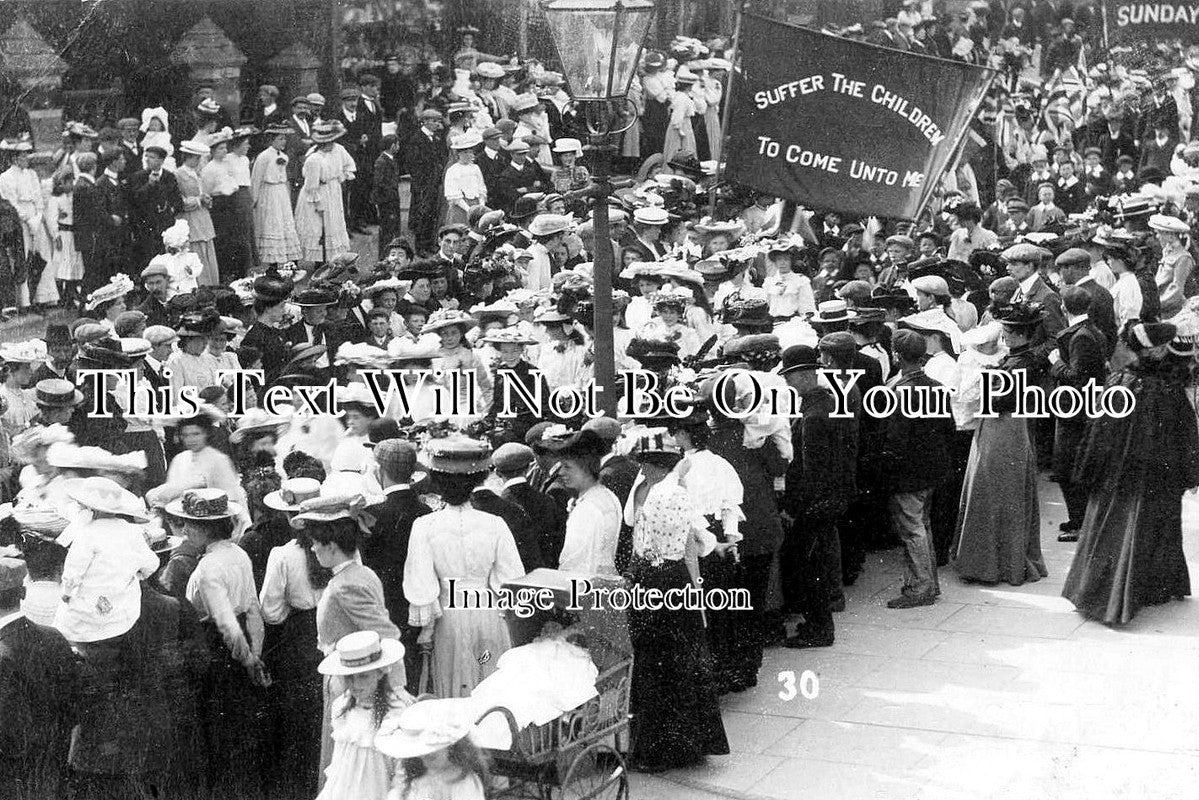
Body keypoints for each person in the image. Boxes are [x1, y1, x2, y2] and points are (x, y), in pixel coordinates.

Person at [1063, 322, 1198, 625]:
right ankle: (1144, 591)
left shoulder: (1118, 382)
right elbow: (1186, 434)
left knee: (1111, 528)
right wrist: (1190, 475)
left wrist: (1088, 471)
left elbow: (1096, 431)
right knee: (1151, 529)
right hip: (1155, 479)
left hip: (1115, 477)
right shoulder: (1168, 390)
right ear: (1158, 349)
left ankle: (1100, 592)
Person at [623, 429, 729, 772]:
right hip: (671, 580)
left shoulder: (656, 493)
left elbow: (677, 541)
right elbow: (697, 540)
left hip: (654, 578)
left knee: (655, 663)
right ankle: (686, 744)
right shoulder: (673, 491)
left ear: (649, 465)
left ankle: (658, 750)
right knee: (678, 660)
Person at [403, 436, 524, 697]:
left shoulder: (424, 526)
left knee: (455, 690)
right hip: (487, 614)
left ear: (436, 480)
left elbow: (421, 585)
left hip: (449, 618)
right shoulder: (494, 524)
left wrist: (427, 627)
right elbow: (511, 581)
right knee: (489, 683)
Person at [173, 488, 270, 800]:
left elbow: (225, 622)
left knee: (219, 733)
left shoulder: (209, 567)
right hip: (243, 646)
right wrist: (255, 652)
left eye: (188, 524)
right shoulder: (238, 553)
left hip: (218, 650)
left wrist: (247, 659)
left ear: (204, 528)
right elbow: (254, 608)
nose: (184, 530)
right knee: (241, 729)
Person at [953, 303, 1049, 586]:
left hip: (1003, 428)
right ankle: (1001, 559)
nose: (1004, 336)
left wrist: (984, 380)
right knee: (999, 490)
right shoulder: (1018, 358)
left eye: (1008, 331)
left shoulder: (1021, 363)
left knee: (993, 491)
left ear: (1022, 334)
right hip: (1004, 426)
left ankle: (993, 563)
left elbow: (999, 400)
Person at [779, 345, 856, 648]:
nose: (787, 383)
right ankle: (817, 625)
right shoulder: (828, 403)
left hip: (815, 505)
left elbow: (812, 473)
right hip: (831, 499)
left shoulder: (812, 416)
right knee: (818, 564)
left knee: (812, 569)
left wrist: (794, 509)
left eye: (790, 376)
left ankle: (819, 629)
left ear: (804, 375)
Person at [878, 329, 954, 608]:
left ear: (897, 356)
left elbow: (893, 440)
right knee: (923, 526)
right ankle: (928, 583)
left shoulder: (898, 391)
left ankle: (921, 586)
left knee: (912, 530)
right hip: (932, 470)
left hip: (908, 475)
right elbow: (949, 428)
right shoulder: (936, 386)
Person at [0, 556, 81, 794]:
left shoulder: (3, 653)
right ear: (23, 592)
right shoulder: (54, 637)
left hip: (12, 778)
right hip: (52, 768)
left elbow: (9, 734)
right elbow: (73, 708)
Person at [363, 439, 432, 694]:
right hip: (420, 608)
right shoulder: (425, 511)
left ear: (380, 471)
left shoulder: (371, 514)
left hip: (386, 611)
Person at [316, 631, 412, 800]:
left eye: (363, 676)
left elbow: (401, 771)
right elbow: (340, 762)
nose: (355, 685)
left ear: (380, 673)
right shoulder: (341, 707)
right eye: (350, 678)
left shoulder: (396, 713)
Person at [1050, 287, 1108, 540]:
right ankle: (1079, 519)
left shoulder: (1080, 336)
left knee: (1066, 467)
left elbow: (1077, 378)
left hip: (1075, 411)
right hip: (1085, 409)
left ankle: (1080, 522)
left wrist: (1056, 363)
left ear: (1064, 308)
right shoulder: (1092, 331)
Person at [540, 427, 622, 576]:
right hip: (606, 582)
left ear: (586, 467)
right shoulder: (608, 496)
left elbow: (572, 563)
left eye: (567, 467)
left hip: (585, 588)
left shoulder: (587, 508)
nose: (561, 472)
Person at [375, 698, 490, 800]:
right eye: (421, 753)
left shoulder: (462, 782)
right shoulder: (417, 779)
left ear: (450, 747)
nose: (425, 757)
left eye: (432, 754)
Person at [296, 121, 354, 263]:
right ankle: (319, 261)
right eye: (329, 142)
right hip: (318, 193)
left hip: (333, 191)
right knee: (317, 227)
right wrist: (318, 204)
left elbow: (349, 165)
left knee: (334, 223)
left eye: (333, 141)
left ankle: (333, 259)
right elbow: (311, 186)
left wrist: (343, 175)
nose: (332, 144)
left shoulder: (339, 149)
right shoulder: (314, 159)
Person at [251, 123, 302, 266]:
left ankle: (289, 259)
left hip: (281, 193)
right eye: (280, 139)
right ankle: (272, 261)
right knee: (272, 223)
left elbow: (284, 176)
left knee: (285, 222)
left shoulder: (284, 156)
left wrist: (286, 193)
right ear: (271, 140)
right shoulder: (264, 157)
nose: (283, 142)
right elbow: (256, 178)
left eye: (284, 139)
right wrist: (254, 199)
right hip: (268, 192)